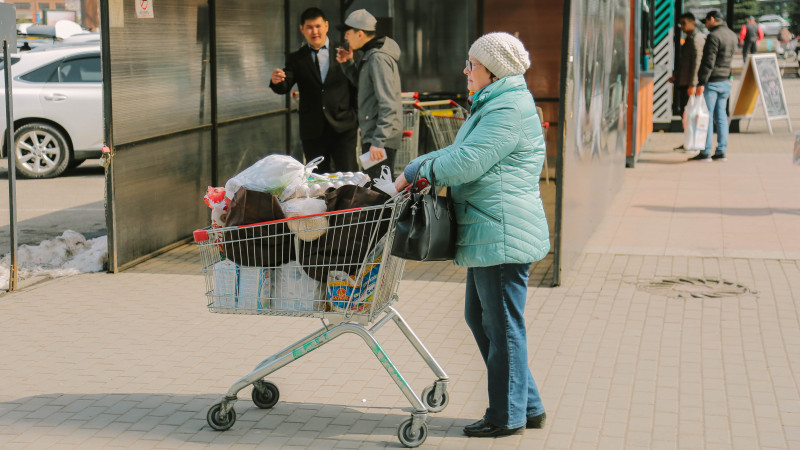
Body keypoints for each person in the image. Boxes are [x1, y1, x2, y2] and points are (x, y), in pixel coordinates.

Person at [395, 32, 549, 438]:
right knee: (482, 319)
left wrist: (415, 172)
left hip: (501, 231)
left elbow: (466, 163)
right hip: (490, 229)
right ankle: (526, 405)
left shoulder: (508, 108)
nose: (465, 70)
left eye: (472, 63)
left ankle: (506, 415)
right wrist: (419, 167)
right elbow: (455, 153)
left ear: (492, 69)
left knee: (501, 326)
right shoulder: (495, 102)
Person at [270, 7, 358, 173]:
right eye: (309, 27)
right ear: (302, 29)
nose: (314, 31)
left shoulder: (344, 51)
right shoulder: (296, 58)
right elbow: (285, 84)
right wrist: (276, 81)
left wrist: (356, 116)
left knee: (349, 175)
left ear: (326, 26)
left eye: (318, 26)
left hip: (344, 126)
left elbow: (356, 85)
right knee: (317, 180)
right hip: (312, 130)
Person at [335, 9, 402, 178]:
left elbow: (388, 104)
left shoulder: (377, 58)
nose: (345, 37)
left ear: (360, 34)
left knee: (377, 192)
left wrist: (378, 142)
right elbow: (364, 86)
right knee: (374, 188)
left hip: (379, 140)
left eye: (348, 33)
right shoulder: (371, 55)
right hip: (376, 138)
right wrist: (348, 63)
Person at [690, 10, 737, 162]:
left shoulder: (714, 36)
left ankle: (705, 151)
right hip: (725, 81)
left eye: (706, 22)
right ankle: (721, 151)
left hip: (713, 82)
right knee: (721, 116)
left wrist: (701, 82)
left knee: (707, 116)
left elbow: (708, 61)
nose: (706, 25)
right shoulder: (731, 34)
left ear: (712, 19)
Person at [668, 12, 706, 150]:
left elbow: (697, 63)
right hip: (684, 81)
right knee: (686, 114)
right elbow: (686, 62)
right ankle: (689, 142)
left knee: (691, 115)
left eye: (684, 23)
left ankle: (693, 143)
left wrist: (694, 84)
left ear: (692, 23)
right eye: (680, 23)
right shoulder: (689, 38)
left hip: (690, 84)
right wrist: (677, 76)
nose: (682, 26)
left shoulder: (696, 38)